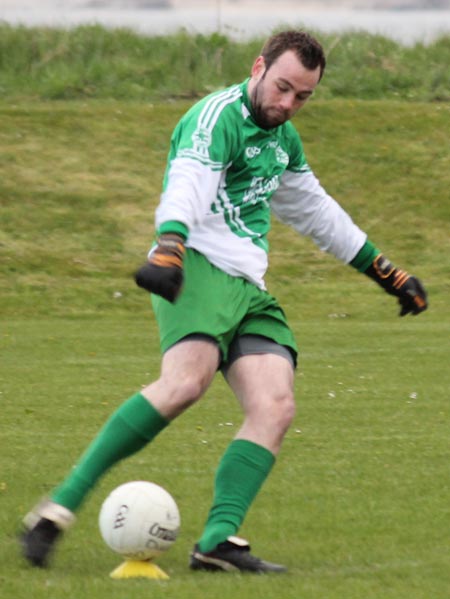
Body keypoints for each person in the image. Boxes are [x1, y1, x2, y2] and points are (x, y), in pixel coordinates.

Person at [21, 30, 428, 573]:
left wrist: (385, 270)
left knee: (276, 405)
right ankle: (57, 508)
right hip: (195, 264)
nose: (287, 104)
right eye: (282, 87)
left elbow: (315, 211)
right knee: (186, 382)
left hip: (247, 286)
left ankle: (216, 542)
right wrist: (170, 243)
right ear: (258, 67)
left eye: (302, 96)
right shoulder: (217, 117)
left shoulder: (283, 141)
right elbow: (189, 179)